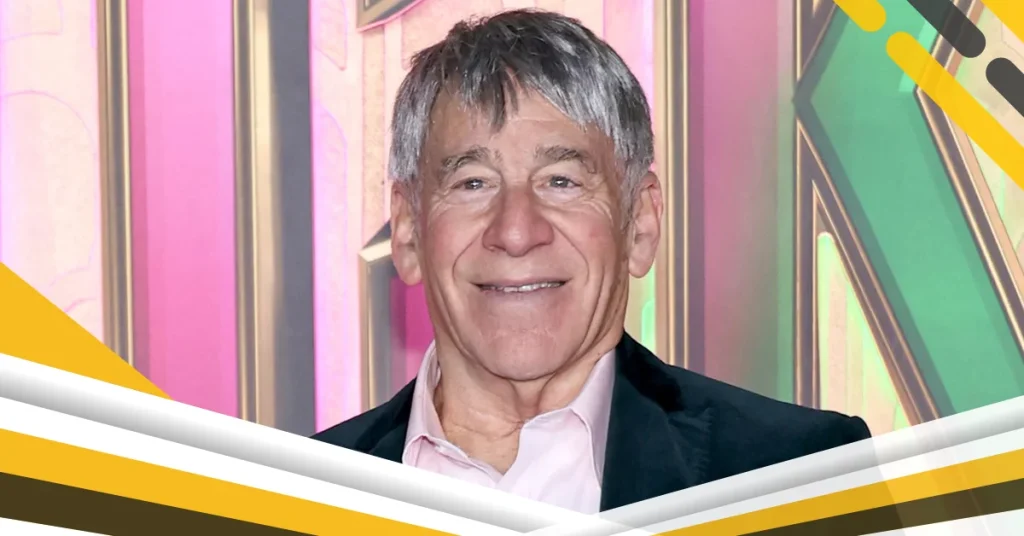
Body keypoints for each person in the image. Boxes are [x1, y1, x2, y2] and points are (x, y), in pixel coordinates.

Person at [313, 9, 871, 513]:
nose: (515, 232)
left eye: (561, 181)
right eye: (472, 182)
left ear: (640, 225)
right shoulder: (290, 500)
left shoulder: (800, 480)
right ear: (408, 231)